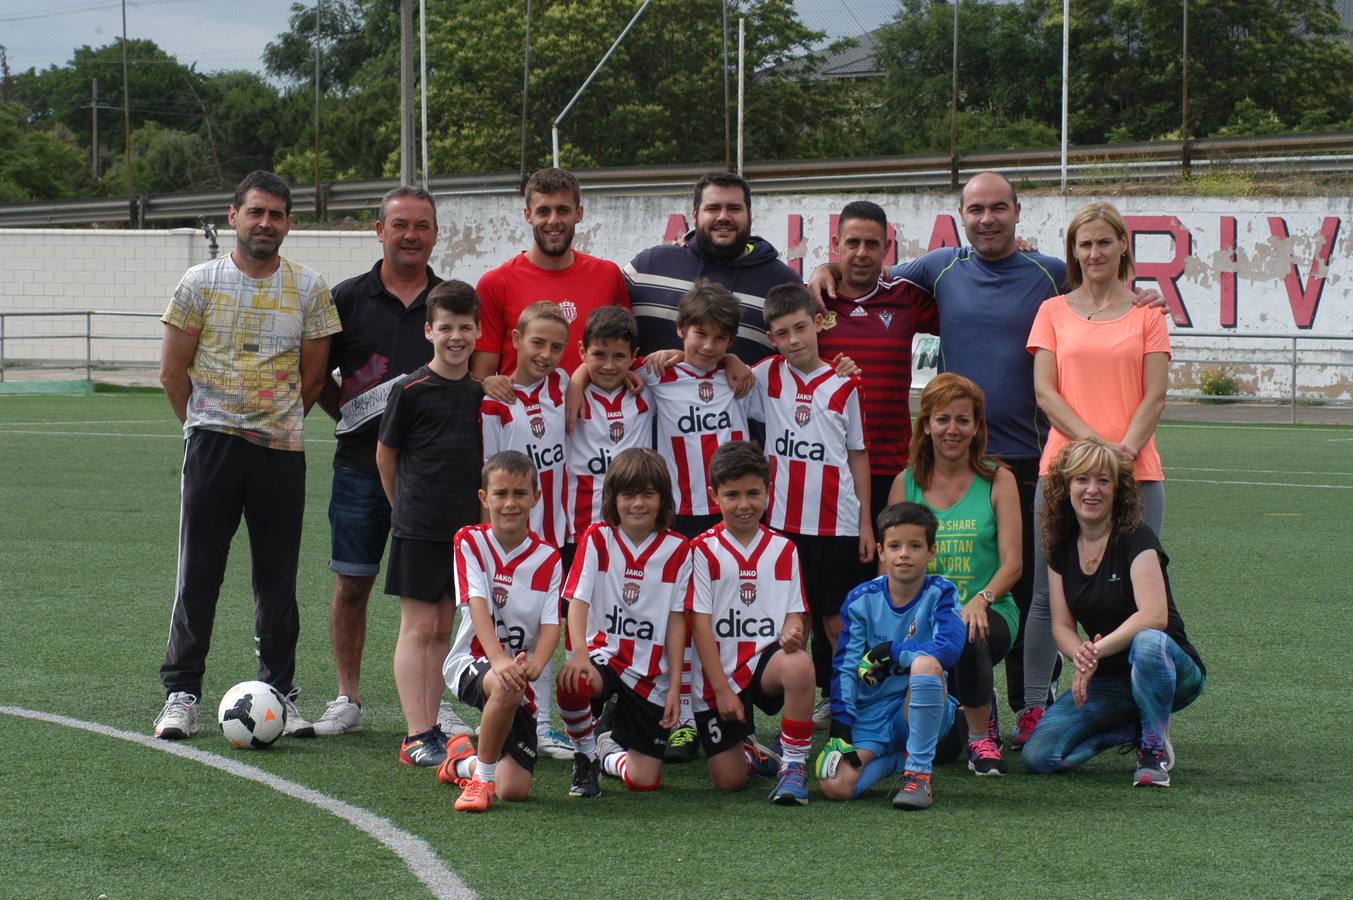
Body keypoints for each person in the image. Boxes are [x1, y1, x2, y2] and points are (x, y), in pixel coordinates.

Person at [154, 170, 339, 740]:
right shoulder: (198, 282)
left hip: (280, 453)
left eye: (277, 214)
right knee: (199, 573)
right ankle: (181, 693)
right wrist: (208, 427)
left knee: (277, 580)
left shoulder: (310, 289)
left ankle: (279, 692)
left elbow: (313, 380)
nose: (266, 223)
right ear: (234, 216)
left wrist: (273, 425)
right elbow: (171, 372)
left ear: (288, 224)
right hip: (212, 446)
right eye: (256, 212)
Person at [1018, 201, 1171, 745]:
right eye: (1084, 244)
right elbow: (1045, 392)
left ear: (1122, 245)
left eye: (1104, 242)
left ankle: (1136, 710)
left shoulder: (1149, 313)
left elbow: (1155, 395)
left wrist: (1122, 455)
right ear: (1073, 252)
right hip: (1064, 472)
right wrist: (1095, 453)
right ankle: (1034, 705)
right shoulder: (1053, 311)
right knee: (1043, 593)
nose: (1094, 252)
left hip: (1138, 472)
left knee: (1137, 597)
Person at [314, 185, 457, 737]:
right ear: (379, 230)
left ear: (435, 233)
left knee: (436, 594)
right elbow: (319, 379)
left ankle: (435, 700)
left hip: (435, 475)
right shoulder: (345, 298)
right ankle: (347, 697)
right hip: (359, 467)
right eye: (400, 225)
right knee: (353, 582)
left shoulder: (452, 298)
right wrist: (352, 419)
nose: (411, 235)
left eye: (422, 225)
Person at [1021, 438, 1204, 787]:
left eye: (1103, 481)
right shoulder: (1060, 547)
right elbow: (1061, 625)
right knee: (1039, 757)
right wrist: (1081, 655)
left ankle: (1153, 752)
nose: (1093, 490)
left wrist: (1093, 652)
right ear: (1066, 487)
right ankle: (1135, 727)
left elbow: (1154, 616)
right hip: (1109, 679)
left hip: (1169, 670)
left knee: (1148, 642)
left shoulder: (1137, 538)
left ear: (1117, 490)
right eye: (1082, 479)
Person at [638, 280, 755, 762]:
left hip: (729, 517)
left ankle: (725, 714)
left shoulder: (742, 378)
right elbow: (598, 369)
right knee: (677, 617)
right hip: (681, 516)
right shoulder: (656, 374)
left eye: (720, 340)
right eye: (698, 335)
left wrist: (733, 362)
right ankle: (678, 716)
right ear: (680, 329)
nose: (708, 347)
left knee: (728, 617)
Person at [751, 282, 874, 733]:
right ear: (772, 339)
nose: (794, 340)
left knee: (837, 622)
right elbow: (724, 378)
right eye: (782, 333)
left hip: (837, 522)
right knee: (791, 622)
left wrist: (865, 523)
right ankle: (795, 717)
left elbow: (858, 453)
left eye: (800, 327)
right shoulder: (765, 376)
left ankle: (843, 705)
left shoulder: (844, 382)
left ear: (819, 323)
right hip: (783, 525)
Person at [888, 374, 1022, 776]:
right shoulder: (905, 483)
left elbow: (1013, 563)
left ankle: (982, 736)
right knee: (942, 750)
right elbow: (892, 566)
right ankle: (970, 708)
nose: (953, 430)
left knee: (967, 630)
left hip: (990, 608)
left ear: (977, 427)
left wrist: (981, 599)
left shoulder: (998, 479)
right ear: (925, 424)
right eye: (942, 419)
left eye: (964, 420)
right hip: (923, 615)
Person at [375, 281, 485, 766]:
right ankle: (415, 733)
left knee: (443, 627)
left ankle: (432, 723)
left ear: (478, 331)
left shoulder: (481, 393)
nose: (455, 337)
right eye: (446, 328)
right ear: (429, 331)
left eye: (465, 327)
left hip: (462, 532)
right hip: (419, 526)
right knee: (418, 627)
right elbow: (386, 455)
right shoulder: (410, 389)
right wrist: (402, 508)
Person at [555, 448, 691, 797]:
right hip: (606, 657)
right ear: (613, 499)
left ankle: (605, 752)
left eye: (648, 494)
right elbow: (577, 601)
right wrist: (580, 653)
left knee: (643, 781)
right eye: (628, 494)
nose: (638, 504)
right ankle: (584, 755)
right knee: (573, 681)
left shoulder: (679, 549)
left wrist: (676, 685)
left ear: (662, 499)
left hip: (651, 674)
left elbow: (677, 622)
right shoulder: (597, 537)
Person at [688, 442, 817, 805]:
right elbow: (699, 627)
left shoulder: (784, 549)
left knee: (799, 665)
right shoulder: (701, 550)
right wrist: (722, 690)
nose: (743, 504)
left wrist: (793, 630)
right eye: (732, 495)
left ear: (768, 492)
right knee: (729, 783)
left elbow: (796, 610)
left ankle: (793, 766)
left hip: (763, 662)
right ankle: (751, 752)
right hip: (719, 675)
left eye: (752, 493)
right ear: (714, 496)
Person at [437, 451, 563, 812]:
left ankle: (463, 762)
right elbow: (476, 603)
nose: (510, 503)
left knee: (515, 791)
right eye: (501, 493)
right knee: (507, 681)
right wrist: (498, 658)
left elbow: (552, 623)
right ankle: (481, 782)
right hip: (473, 661)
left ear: (536, 498)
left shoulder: (549, 558)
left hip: (520, 673)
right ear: (484, 498)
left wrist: (538, 663)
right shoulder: (470, 541)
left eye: (520, 494)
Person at [816, 502, 964, 809]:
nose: (904, 554)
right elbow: (845, 666)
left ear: (931, 551)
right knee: (834, 786)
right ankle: (898, 759)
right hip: (872, 714)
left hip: (917, 707)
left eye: (915, 545)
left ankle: (919, 776)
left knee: (925, 665)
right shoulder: (860, 599)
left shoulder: (942, 593)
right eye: (895, 546)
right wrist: (841, 726)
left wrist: (894, 651)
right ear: (882, 552)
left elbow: (948, 649)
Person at [479, 301, 572, 759]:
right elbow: (490, 475)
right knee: (500, 627)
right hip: (510, 541)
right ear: (515, 340)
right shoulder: (496, 401)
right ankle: (482, 709)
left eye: (557, 346)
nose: (547, 354)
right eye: (537, 342)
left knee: (545, 628)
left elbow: (590, 374)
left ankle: (545, 724)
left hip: (554, 535)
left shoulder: (564, 384)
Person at [817, 201, 938, 533]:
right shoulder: (812, 301)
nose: (861, 253)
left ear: (887, 248)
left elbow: (965, 311)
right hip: (829, 466)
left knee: (890, 573)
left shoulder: (906, 298)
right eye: (852, 242)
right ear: (835, 244)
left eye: (872, 244)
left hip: (892, 467)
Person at [625, 170, 800, 363]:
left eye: (734, 208)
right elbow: (603, 338)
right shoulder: (648, 267)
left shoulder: (784, 283)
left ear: (749, 215)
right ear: (694, 214)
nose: (723, 216)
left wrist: (828, 271)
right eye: (713, 208)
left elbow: (805, 363)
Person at [472, 167, 629, 379]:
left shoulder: (609, 276)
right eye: (543, 211)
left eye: (563, 210)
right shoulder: (495, 283)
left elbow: (625, 354)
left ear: (579, 213)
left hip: (595, 411)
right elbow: (484, 377)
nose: (553, 220)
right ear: (528, 215)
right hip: (523, 411)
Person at [565, 307, 655, 551]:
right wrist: (577, 379)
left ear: (634, 355)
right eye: (599, 355)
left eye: (619, 356)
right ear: (582, 351)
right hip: (580, 528)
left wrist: (730, 360)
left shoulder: (648, 390)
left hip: (636, 528)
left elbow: (684, 359)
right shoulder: (565, 393)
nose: (609, 365)